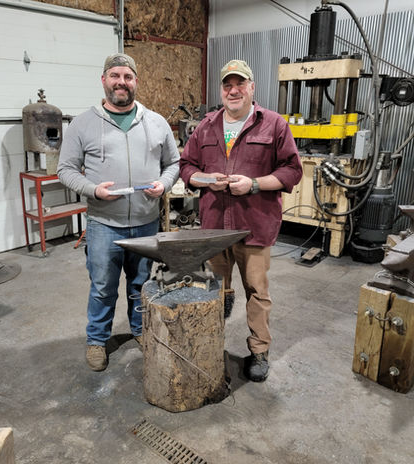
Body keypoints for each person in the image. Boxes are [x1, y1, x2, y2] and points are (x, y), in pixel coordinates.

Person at [179, 59, 302, 382]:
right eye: (227, 85)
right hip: (214, 228)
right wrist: (207, 180)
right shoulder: (206, 126)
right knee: (215, 290)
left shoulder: (274, 124)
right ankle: (210, 344)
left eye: (240, 84)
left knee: (257, 291)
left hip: (254, 226)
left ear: (252, 87)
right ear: (222, 90)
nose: (233, 91)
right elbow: (186, 166)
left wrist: (255, 184)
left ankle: (259, 351)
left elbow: (292, 170)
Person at [57, 53, 180, 371]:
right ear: (104, 80)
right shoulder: (83, 124)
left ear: (136, 81)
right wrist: (92, 189)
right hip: (104, 224)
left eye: (127, 76)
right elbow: (65, 169)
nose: (121, 82)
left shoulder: (156, 122)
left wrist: (164, 184)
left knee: (141, 285)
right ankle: (97, 340)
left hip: (146, 222)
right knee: (102, 287)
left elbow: (173, 163)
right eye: (115, 76)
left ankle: (140, 330)